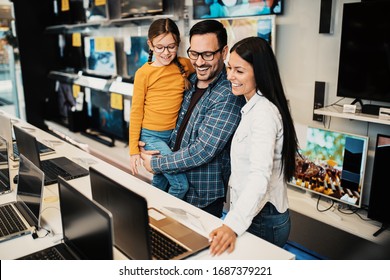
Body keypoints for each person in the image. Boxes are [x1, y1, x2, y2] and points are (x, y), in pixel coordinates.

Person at [140, 20, 245, 218]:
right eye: (194, 53)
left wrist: (156, 164)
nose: (199, 62)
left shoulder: (228, 94)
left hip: (201, 198)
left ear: (223, 53)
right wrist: (146, 140)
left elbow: (202, 150)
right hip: (172, 180)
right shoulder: (190, 79)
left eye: (207, 54)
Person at [209, 37, 298, 255]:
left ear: (259, 72)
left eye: (239, 71)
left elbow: (259, 176)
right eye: (230, 68)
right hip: (255, 214)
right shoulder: (254, 106)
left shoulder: (263, 113)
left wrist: (231, 225)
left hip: (263, 220)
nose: (230, 76)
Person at [129, 18, 194, 199]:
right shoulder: (143, 73)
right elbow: (136, 112)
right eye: (160, 47)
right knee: (180, 185)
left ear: (178, 44)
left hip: (173, 136)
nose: (166, 53)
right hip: (151, 136)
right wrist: (134, 149)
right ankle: (168, 220)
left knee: (160, 182)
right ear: (150, 45)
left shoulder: (185, 65)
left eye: (171, 47)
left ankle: (151, 214)